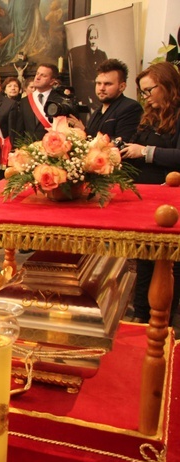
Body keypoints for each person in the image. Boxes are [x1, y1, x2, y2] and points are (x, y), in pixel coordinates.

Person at [120, 61, 180, 324]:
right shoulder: (150, 116)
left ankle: (164, 319)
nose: (145, 97)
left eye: (149, 90)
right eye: (142, 92)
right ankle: (142, 315)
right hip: (146, 200)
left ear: (167, 86)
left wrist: (146, 152)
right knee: (144, 261)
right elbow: (137, 147)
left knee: (168, 266)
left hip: (172, 205)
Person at [70, 59, 142, 142]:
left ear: (122, 86)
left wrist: (84, 131)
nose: (101, 88)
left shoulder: (131, 108)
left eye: (108, 84)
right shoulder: (96, 112)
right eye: (98, 83)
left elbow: (123, 143)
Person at [11, 63, 59, 142]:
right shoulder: (24, 101)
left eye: (43, 75)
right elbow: (19, 131)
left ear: (52, 81)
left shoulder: (59, 100)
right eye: (37, 74)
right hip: (29, 149)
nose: (37, 77)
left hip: (53, 149)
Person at [69, 24, 108, 113]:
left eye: (95, 38)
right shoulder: (82, 56)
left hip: (101, 92)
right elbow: (81, 81)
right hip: (87, 93)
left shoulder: (102, 55)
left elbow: (107, 75)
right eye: (91, 38)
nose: (93, 41)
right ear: (87, 39)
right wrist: (96, 82)